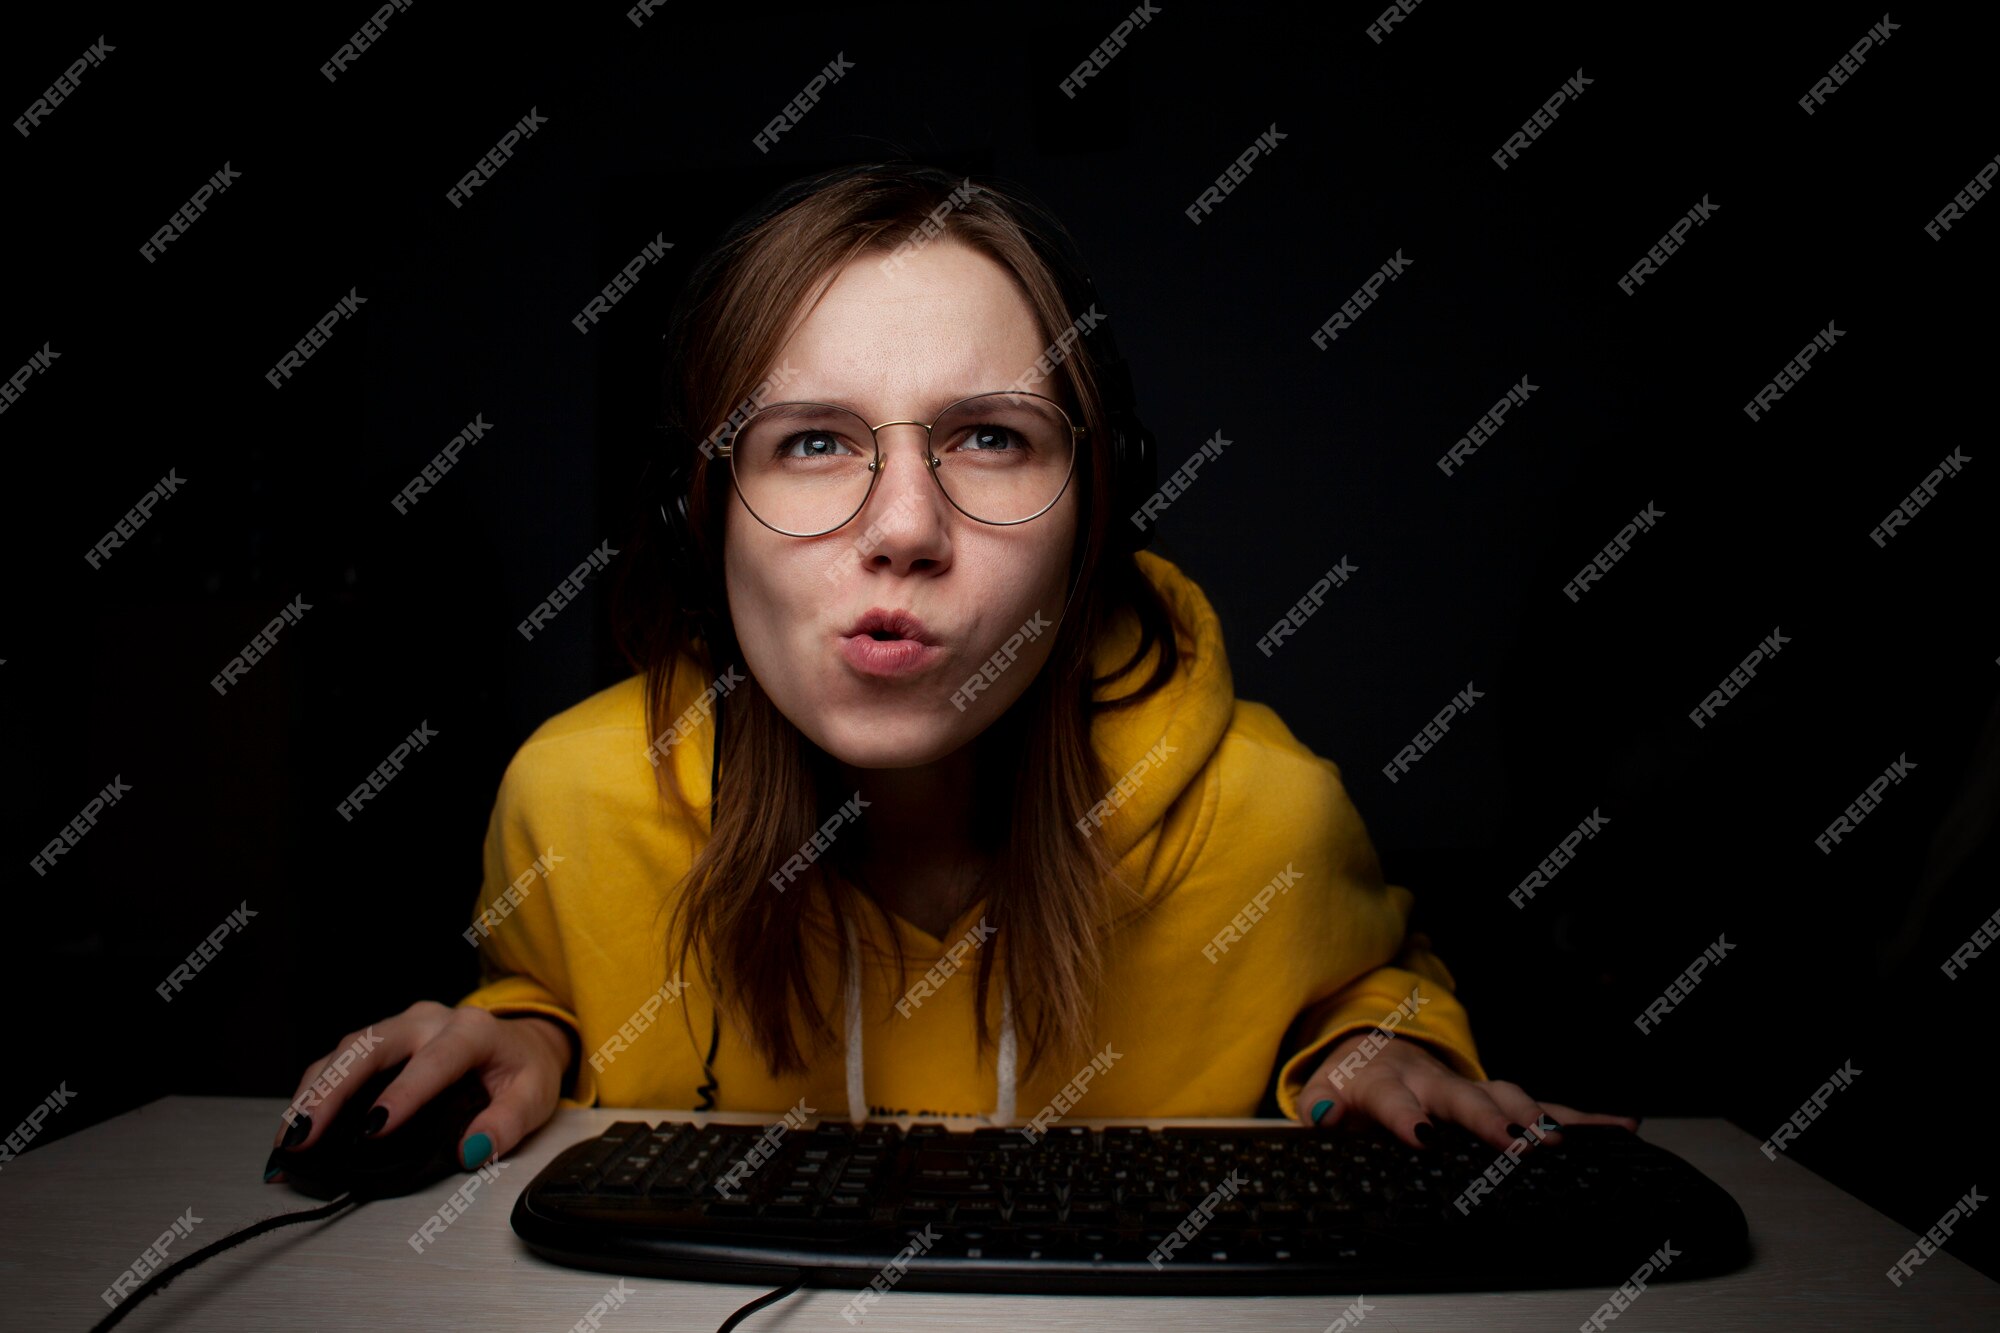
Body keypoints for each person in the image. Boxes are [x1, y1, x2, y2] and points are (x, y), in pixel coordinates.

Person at [270, 162, 1636, 1181]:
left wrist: (1372, 1042)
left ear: (1092, 517)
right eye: (811, 441)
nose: (906, 528)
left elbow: (1363, 982)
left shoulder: (1272, 820)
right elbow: (554, 983)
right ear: (707, 515)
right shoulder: (564, 801)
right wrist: (534, 1034)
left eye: (989, 437)